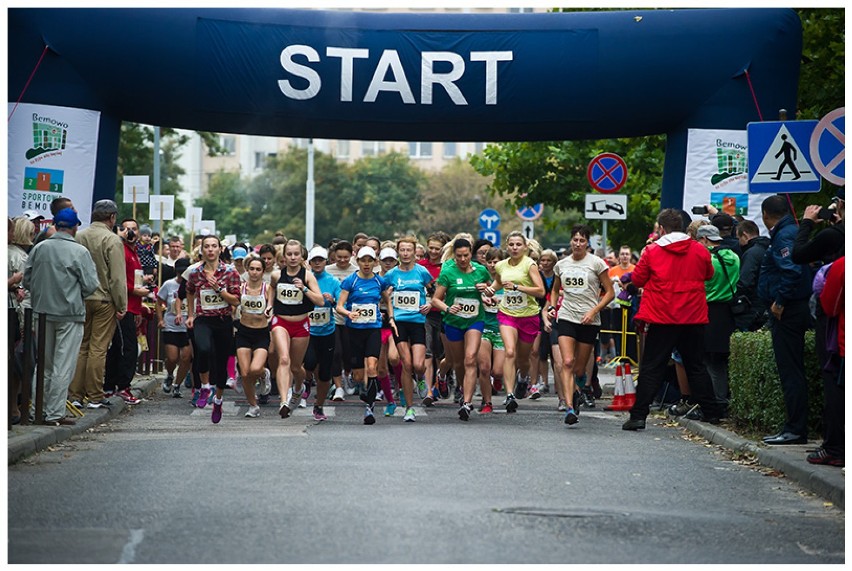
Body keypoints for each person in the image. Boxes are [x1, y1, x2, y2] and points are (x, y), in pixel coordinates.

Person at [622, 208, 722, 431]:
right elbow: (709, 275)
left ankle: (638, 416)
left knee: (652, 367)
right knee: (696, 365)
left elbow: (638, 278)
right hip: (693, 316)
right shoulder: (699, 250)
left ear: (661, 228)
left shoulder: (652, 251)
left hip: (662, 316)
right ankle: (712, 412)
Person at [23, 208, 99, 425]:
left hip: (41, 311)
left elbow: (27, 279)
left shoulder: (40, 248)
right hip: (70, 313)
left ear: (55, 225)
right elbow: (91, 285)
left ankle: (39, 408)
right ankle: (55, 412)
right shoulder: (79, 252)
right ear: (75, 227)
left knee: (43, 363)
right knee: (62, 365)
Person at [792, 188, 845, 463]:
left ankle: (835, 448)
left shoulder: (836, 251)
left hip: (837, 326)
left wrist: (808, 223)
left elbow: (798, 254)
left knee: (834, 381)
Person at [757, 195, 814, 445]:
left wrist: (780, 301)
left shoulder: (784, 234)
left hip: (788, 310)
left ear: (766, 214)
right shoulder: (789, 231)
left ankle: (795, 429)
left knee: (790, 371)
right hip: (792, 307)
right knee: (792, 370)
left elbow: (791, 269)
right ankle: (794, 427)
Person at [547, 224, 614, 425]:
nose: (578, 244)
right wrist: (552, 307)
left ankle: (578, 391)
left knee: (579, 368)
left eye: (582, 240)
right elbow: (554, 289)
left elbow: (610, 293)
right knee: (566, 361)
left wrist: (593, 311)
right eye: (575, 240)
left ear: (587, 243)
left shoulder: (596, 263)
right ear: (571, 241)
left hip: (589, 319)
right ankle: (569, 407)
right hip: (567, 316)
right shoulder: (562, 264)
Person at [69, 200, 127, 409]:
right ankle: (94, 395)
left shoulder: (79, 236)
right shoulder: (112, 240)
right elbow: (117, 279)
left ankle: (75, 394)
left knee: (81, 346)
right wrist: (122, 304)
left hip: (81, 298)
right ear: (112, 217)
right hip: (104, 299)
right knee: (98, 349)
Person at [483, 231, 546, 413]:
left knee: (523, 358)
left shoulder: (530, 265)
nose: (515, 248)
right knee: (509, 351)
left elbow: (540, 291)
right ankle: (509, 395)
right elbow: (497, 285)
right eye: (511, 244)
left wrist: (518, 287)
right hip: (507, 314)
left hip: (528, 316)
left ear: (525, 247)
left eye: (518, 244)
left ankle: (524, 377)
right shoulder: (501, 265)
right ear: (507, 246)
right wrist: (488, 291)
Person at [431, 238, 493, 421]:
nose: (463, 259)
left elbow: (492, 289)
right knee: (458, 363)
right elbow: (436, 299)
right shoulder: (448, 272)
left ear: (470, 253)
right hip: (453, 322)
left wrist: (488, 291)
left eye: (466, 255)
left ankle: (467, 402)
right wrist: (448, 308)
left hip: (475, 320)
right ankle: (461, 386)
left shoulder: (480, 270)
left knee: (470, 358)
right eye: (459, 256)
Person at [185, 235, 242, 423]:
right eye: (207, 246)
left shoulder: (230, 272)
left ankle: (218, 399)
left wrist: (219, 289)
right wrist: (191, 314)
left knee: (220, 362)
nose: (210, 250)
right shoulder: (195, 272)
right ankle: (204, 386)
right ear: (202, 250)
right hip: (203, 319)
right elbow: (190, 290)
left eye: (214, 246)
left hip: (223, 319)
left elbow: (236, 300)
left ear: (220, 250)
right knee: (202, 349)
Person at [337, 246, 395, 425]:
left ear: (375, 261)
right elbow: (339, 306)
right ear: (358, 261)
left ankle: (369, 407)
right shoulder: (350, 281)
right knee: (357, 375)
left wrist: (391, 317)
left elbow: (387, 300)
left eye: (370, 260)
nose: (367, 264)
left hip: (372, 329)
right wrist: (348, 314)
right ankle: (363, 388)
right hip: (354, 331)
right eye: (363, 260)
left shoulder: (379, 281)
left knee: (372, 367)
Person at [269, 240, 325, 419]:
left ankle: (299, 387)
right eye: (289, 254)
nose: (292, 258)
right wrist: (269, 306)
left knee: (296, 366)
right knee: (283, 359)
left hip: (301, 325)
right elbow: (271, 289)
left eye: (296, 254)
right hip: (281, 322)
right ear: (284, 256)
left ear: (302, 256)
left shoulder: (308, 276)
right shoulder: (277, 275)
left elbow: (321, 301)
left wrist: (305, 289)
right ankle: (284, 401)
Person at [384, 236, 435, 422]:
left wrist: (429, 304)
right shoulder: (391, 275)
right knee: (406, 364)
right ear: (399, 252)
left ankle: (420, 378)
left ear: (414, 252)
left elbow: (434, 291)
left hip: (418, 322)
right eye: (402, 250)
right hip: (399, 322)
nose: (405, 253)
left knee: (419, 365)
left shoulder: (422, 272)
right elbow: (382, 295)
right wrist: (387, 301)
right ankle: (409, 408)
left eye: (409, 250)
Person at [104, 218, 150, 405]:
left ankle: (111, 387)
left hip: (132, 306)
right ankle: (121, 387)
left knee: (120, 347)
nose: (130, 233)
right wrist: (134, 290)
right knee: (127, 348)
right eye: (126, 229)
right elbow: (119, 279)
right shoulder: (120, 250)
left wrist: (139, 305)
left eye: (134, 229)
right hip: (122, 306)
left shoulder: (136, 252)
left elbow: (134, 279)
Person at [695, 225, 740, 418]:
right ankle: (722, 400)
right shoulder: (735, 257)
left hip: (708, 311)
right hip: (728, 312)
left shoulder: (708, 260)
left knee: (710, 362)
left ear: (704, 239)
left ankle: (716, 403)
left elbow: (701, 284)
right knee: (721, 360)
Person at [811, 255, 844, 466]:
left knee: (838, 396)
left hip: (843, 342)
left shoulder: (842, 265)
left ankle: (836, 449)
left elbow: (829, 305)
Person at [234, 255, 275, 419]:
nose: (255, 272)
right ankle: (253, 405)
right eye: (252, 269)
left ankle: (264, 373)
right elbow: (233, 305)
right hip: (243, 332)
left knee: (255, 369)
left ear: (263, 271)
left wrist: (269, 309)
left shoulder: (267, 288)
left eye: (258, 269)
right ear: (247, 270)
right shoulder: (241, 288)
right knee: (244, 373)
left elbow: (271, 304)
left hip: (261, 333)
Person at [304, 246, 341, 421]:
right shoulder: (303, 279)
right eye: (314, 260)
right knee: (309, 362)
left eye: (321, 260)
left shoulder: (333, 281)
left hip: (327, 332)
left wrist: (333, 301)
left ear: (326, 261)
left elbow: (342, 304)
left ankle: (318, 406)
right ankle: (305, 381)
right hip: (307, 331)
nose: (317, 263)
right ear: (309, 262)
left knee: (325, 373)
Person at [157, 257, 193, 397]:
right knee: (172, 357)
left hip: (187, 327)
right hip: (171, 326)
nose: (181, 275)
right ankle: (170, 374)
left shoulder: (193, 285)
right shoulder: (168, 285)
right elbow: (158, 302)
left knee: (186, 357)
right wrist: (160, 319)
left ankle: (178, 384)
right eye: (179, 272)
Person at [734, 220, 770, 331]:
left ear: (744, 235)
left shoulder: (751, 254)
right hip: (766, 304)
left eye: (738, 238)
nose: (738, 242)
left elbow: (745, 281)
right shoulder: (769, 248)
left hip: (753, 307)